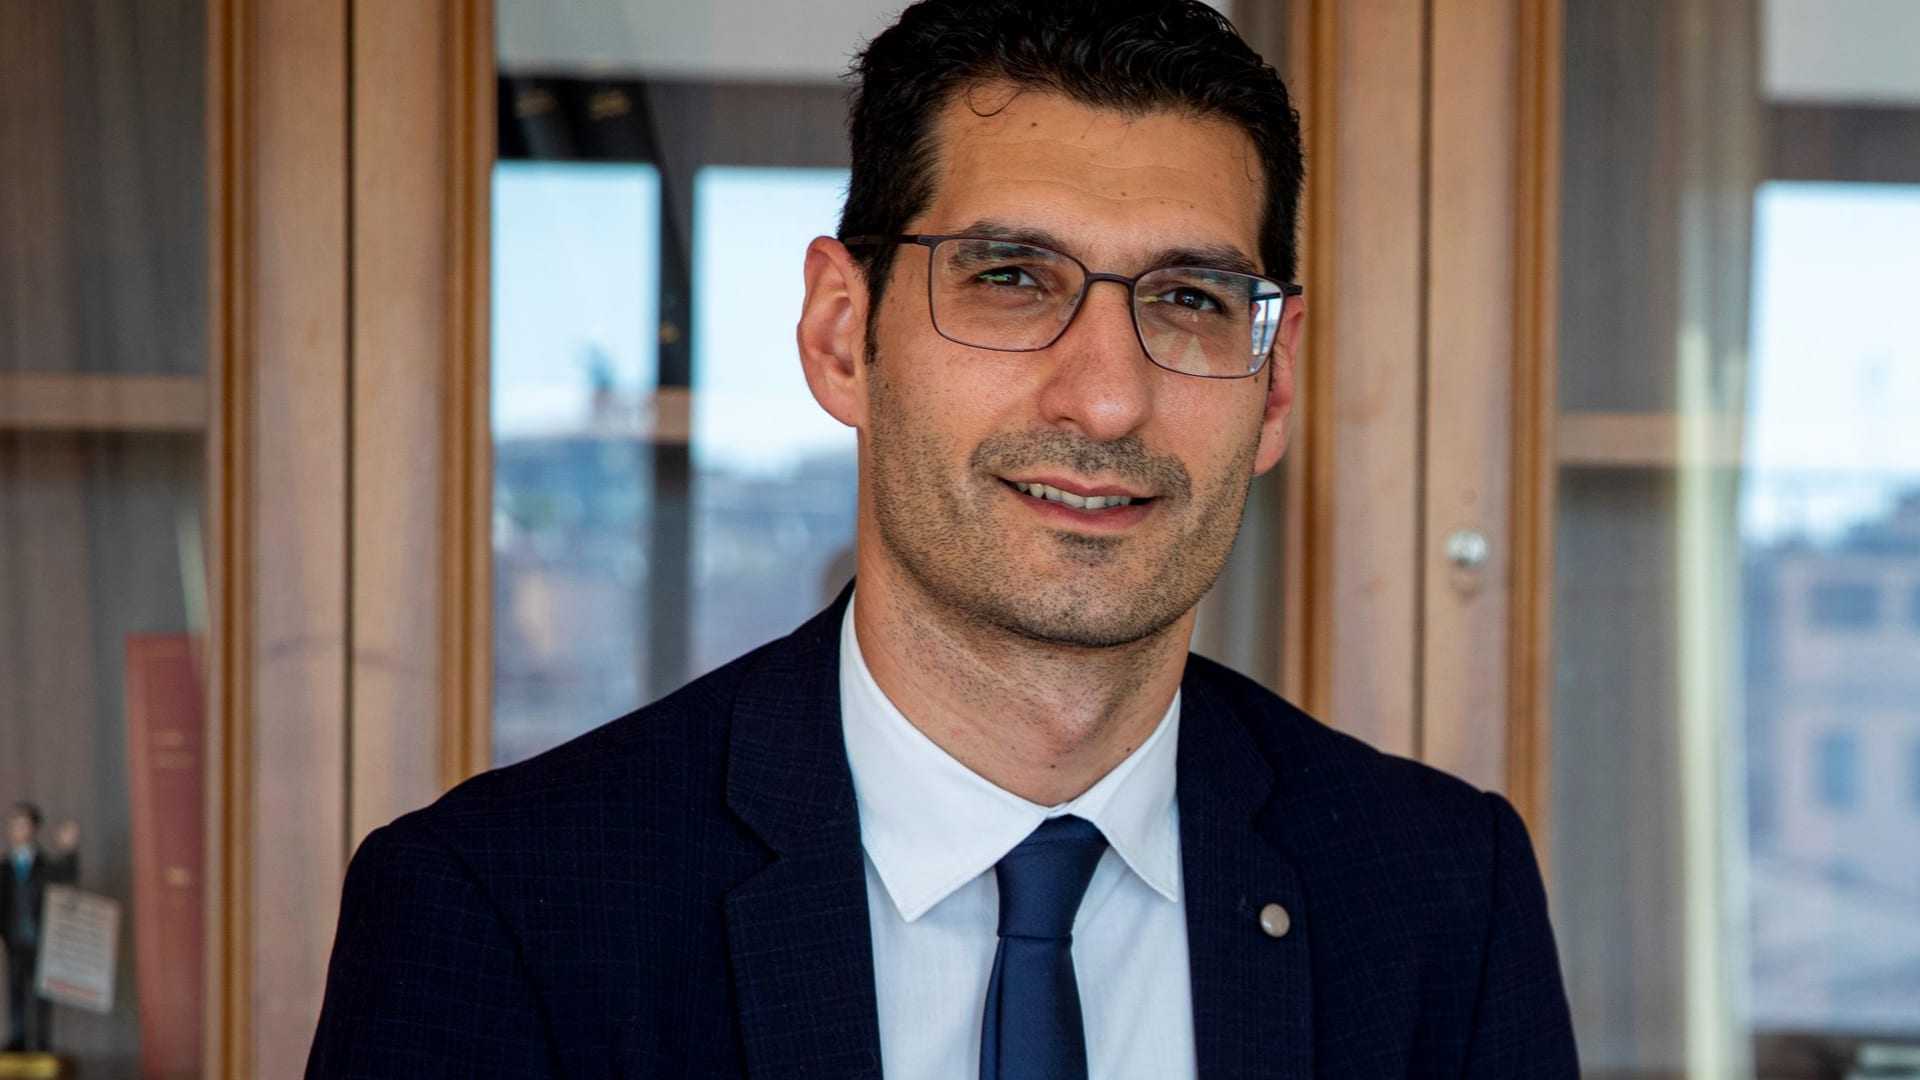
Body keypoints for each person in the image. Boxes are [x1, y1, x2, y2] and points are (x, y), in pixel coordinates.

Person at [307, 1, 1579, 1076]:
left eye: (1191, 299)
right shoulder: (504, 909)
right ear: (841, 337)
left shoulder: (1441, 901)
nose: (1106, 399)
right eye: (1011, 279)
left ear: (1275, 385)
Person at [2, 802, 78, 1054]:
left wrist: (69, 851)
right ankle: (18, 1038)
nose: (18, 830)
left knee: (42, 992)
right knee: (15, 990)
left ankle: (42, 1040)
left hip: (41, 938)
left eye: (24, 825)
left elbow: (67, 877)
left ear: (34, 829)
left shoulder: (44, 865)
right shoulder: (5, 867)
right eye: (15, 825)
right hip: (14, 938)